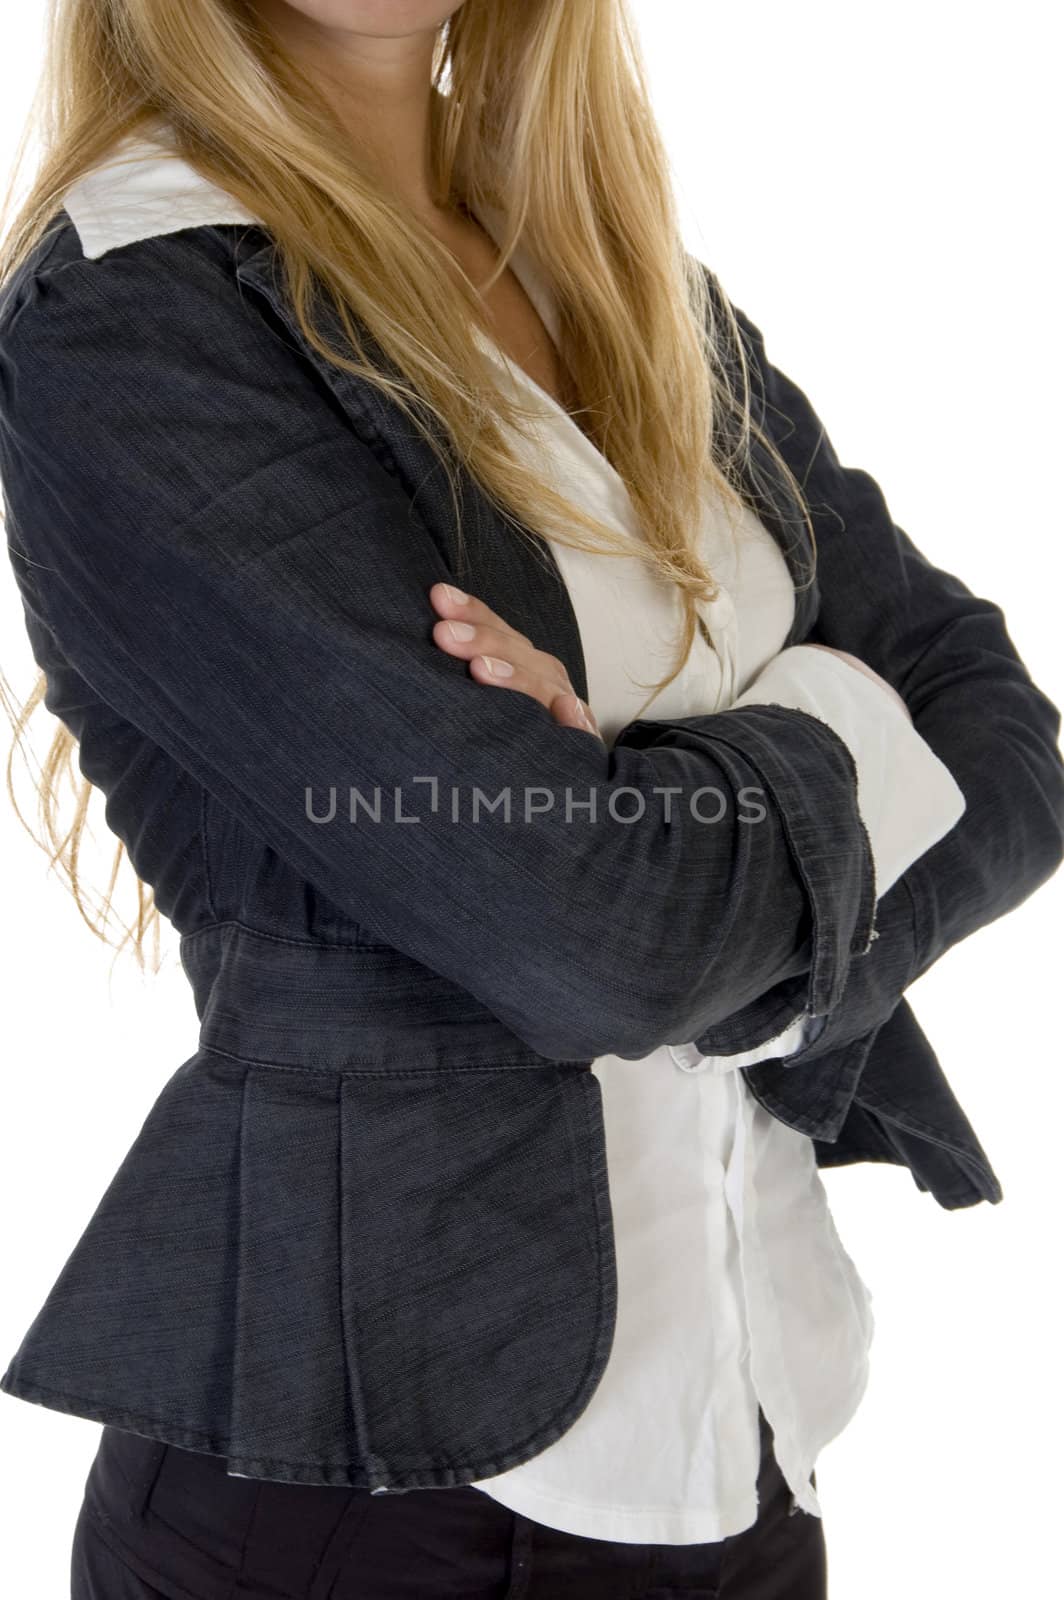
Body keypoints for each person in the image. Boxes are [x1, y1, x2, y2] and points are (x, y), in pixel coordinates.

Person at [1, 2, 1061, 1597]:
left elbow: (1007, 743)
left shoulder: (606, 268)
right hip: (359, 1506)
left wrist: (644, 801)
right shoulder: (133, 312)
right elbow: (599, 942)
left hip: (752, 1456)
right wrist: (826, 720)